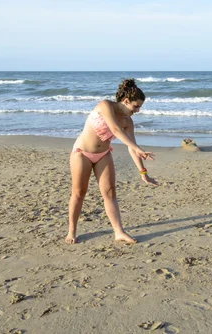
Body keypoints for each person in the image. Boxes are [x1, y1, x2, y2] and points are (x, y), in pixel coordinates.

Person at [65, 78, 157, 244]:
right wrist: (137, 148)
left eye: (140, 107)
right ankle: (72, 231)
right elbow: (114, 129)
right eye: (136, 106)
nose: (138, 110)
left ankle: (119, 232)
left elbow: (132, 147)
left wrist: (143, 173)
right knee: (79, 193)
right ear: (126, 101)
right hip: (82, 153)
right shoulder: (105, 105)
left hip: (103, 154)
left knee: (110, 193)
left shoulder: (128, 122)